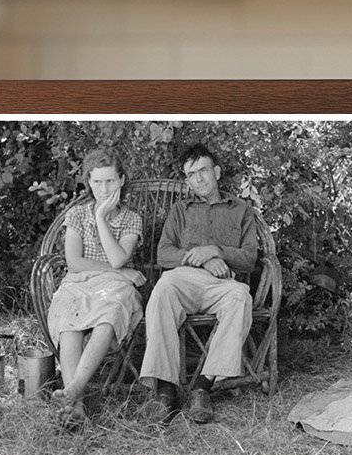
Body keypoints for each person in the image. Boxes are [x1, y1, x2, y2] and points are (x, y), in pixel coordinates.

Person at [139, 143, 258, 424]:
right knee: (162, 290)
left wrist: (216, 251)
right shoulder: (181, 210)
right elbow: (163, 253)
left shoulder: (241, 210)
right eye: (191, 175)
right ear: (187, 181)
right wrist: (201, 258)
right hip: (184, 279)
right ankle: (166, 391)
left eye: (203, 170)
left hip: (223, 283)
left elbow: (249, 258)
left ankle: (203, 387)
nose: (198, 179)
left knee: (241, 298)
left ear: (216, 172)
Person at [46, 146, 145, 427]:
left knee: (110, 314)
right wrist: (123, 271)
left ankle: (74, 390)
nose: (104, 188)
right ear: (89, 182)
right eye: (98, 181)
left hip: (115, 286)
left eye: (110, 181)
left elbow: (117, 259)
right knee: (69, 318)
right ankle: (76, 406)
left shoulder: (131, 218)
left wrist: (101, 217)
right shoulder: (77, 214)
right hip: (79, 282)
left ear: (121, 180)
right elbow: (74, 262)